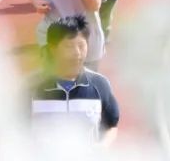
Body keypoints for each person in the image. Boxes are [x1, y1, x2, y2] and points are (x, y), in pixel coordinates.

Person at [30, 15, 120, 145]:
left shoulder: (100, 85)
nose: (77, 53)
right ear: (53, 49)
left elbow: (111, 126)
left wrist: (101, 149)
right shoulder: (32, 88)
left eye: (81, 46)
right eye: (69, 47)